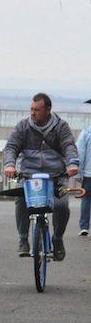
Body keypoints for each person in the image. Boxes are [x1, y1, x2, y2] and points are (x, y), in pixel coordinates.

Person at [4, 92, 79, 260]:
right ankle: (23, 239)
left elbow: (69, 146)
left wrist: (72, 163)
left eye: (37, 110)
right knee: (21, 200)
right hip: (29, 176)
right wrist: (9, 165)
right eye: (31, 109)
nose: (32, 113)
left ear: (48, 110)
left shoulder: (61, 127)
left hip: (56, 177)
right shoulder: (23, 127)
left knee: (61, 206)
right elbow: (11, 147)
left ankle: (57, 239)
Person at [75, 100, 91, 236]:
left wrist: (78, 174)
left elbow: (80, 154)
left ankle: (84, 226)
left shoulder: (86, 132)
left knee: (86, 198)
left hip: (88, 173)